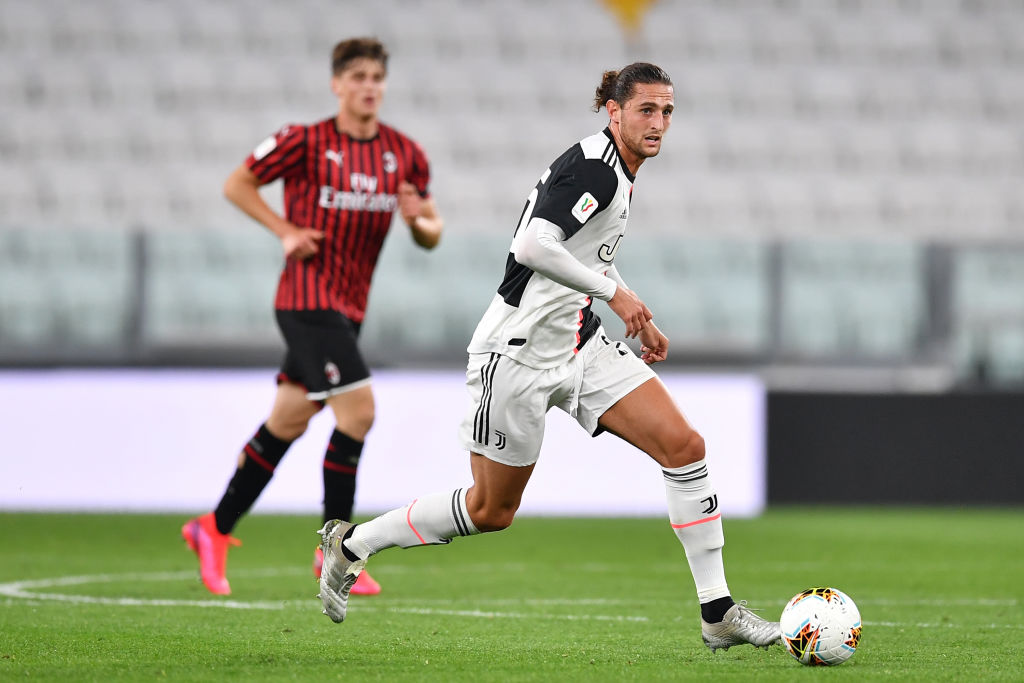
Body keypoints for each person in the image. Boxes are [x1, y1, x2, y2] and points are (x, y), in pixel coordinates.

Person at [315, 62, 781, 652]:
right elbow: (534, 243)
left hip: (580, 344)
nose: (659, 122)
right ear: (614, 112)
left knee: (684, 448)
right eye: (646, 110)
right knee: (490, 510)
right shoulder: (597, 170)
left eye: (667, 111)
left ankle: (717, 611)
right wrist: (620, 296)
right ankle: (353, 544)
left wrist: (638, 315)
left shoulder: (616, 169)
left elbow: (589, 252)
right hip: (517, 356)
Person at [182, 37, 443, 597]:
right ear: (337, 84)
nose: (368, 85)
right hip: (305, 300)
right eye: (357, 76)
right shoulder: (304, 141)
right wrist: (285, 231)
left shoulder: (404, 153)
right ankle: (336, 552)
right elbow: (237, 182)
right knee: (359, 414)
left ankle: (213, 527)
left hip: (349, 311)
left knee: (289, 420)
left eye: (376, 76)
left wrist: (420, 222)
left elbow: (431, 233)